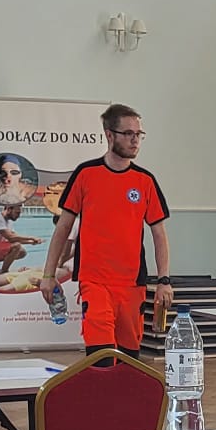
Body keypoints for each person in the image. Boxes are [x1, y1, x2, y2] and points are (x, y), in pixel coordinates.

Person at [40, 105, 172, 355]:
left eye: (139, 134)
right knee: (101, 355)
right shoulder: (86, 174)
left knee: (128, 358)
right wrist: (48, 274)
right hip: (95, 281)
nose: (135, 140)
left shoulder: (145, 181)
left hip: (132, 284)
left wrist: (164, 280)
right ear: (109, 135)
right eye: (128, 133)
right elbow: (63, 228)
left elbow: (159, 234)